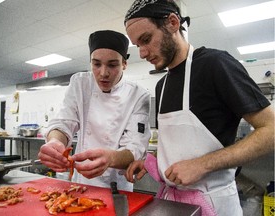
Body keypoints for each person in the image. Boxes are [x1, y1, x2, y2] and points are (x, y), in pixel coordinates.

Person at [123, 0, 275, 215]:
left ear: (173, 23)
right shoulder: (162, 85)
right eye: (138, 45)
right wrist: (152, 164)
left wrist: (202, 165)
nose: (143, 53)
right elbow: (180, 148)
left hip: (215, 204)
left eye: (146, 39)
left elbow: (271, 131)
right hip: (174, 205)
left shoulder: (216, 65)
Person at [38, 30, 151, 191]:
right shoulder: (80, 83)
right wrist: (55, 141)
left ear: (124, 63)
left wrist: (111, 158)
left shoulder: (138, 95)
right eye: (96, 64)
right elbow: (64, 122)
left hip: (117, 186)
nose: (103, 73)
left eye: (112, 65)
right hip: (80, 181)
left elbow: (136, 148)